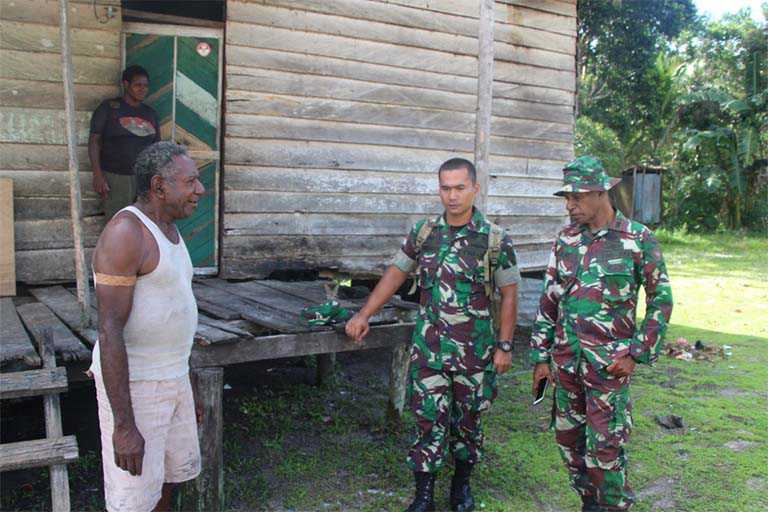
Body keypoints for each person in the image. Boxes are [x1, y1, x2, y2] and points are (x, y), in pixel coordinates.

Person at [346, 158, 521, 512]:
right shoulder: (424, 233)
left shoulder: (494, 239)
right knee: (427, 419)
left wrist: (504, 345)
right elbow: (396, 273)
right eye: (445, 188)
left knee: (468, 421)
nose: (452, 196)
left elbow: (510, 295)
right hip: (429, 351)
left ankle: (461, 487)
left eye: (459, 188)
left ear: (475, 187)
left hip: (475, 353)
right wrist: (365, 313)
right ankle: (423, 494)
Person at [529, 156, 673, 512]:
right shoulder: (565, 240)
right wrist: (540, 357)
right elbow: (549, 301)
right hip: (566, 364)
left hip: (608, 368)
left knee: (605, 451)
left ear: (600, 193)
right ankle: (589, 504)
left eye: (576, 197)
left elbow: (661, 299)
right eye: (566, 198)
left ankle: (612, 506)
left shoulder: (638, 239)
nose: (570, 205)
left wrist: (636, 353)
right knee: (569, 445)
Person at [90, 141, 205, 512]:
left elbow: (175, 311)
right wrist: (124, 426)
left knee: (165, 482)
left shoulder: (169, 228)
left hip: (172, 378)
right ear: (159, 186)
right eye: (191, 182)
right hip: (138, 387)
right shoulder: (127, 233)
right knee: (135, 499)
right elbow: (109, 332)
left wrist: (189, 383)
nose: (200, 190)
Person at [89, 65, 161, 220]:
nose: (142, 89)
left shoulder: (151, 114)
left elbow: (156, 148)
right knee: (118, 222)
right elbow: (95, 141)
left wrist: (155, 180)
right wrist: (98, 175)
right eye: (137, 85)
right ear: (126, 84)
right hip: (115, 178)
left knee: (144, 223)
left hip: (143, 179)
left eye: (145, 86)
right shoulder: (109, 109)